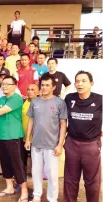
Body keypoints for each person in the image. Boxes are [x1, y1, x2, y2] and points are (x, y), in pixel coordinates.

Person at [25, 74, 67, 202]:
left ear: (53, 87)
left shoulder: (60, 102)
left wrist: (60, 144)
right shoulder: (35, 101)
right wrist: (28, 139)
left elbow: (63, 124)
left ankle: (52, 198)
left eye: (47, 85)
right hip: (36, 144)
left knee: (52, 174)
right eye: (42, 85)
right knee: (35, 171)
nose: (44, 87)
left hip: (52, 146)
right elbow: (31, 121)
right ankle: (37, 194)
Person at [64, 71, 102, 202]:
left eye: (84, 81)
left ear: (91, 83)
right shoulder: (69, 98)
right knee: (70, 180)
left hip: (91, 145)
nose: (80, 84)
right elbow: (61, 119)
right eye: (77, 81)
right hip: (72, 143)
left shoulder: (99, 100)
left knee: (92, 181)